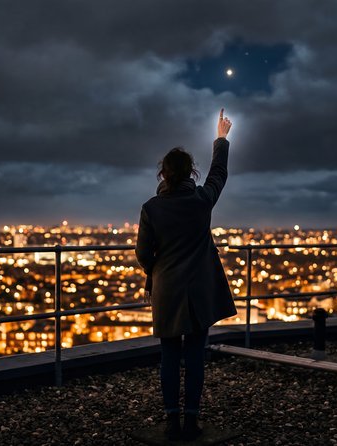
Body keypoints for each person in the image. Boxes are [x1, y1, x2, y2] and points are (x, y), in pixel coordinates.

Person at [135, 108, 237, 441]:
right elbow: (218, 173)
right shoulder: (201, 200)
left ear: (163, 174)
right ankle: (192, 419)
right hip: (199, 291)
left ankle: (170, 420)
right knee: (195, 355)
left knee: (168, 355)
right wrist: (221, 139)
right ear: (190, 172)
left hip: (168, 290)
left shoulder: (151, 208)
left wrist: (156, 271)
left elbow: (142, 253)